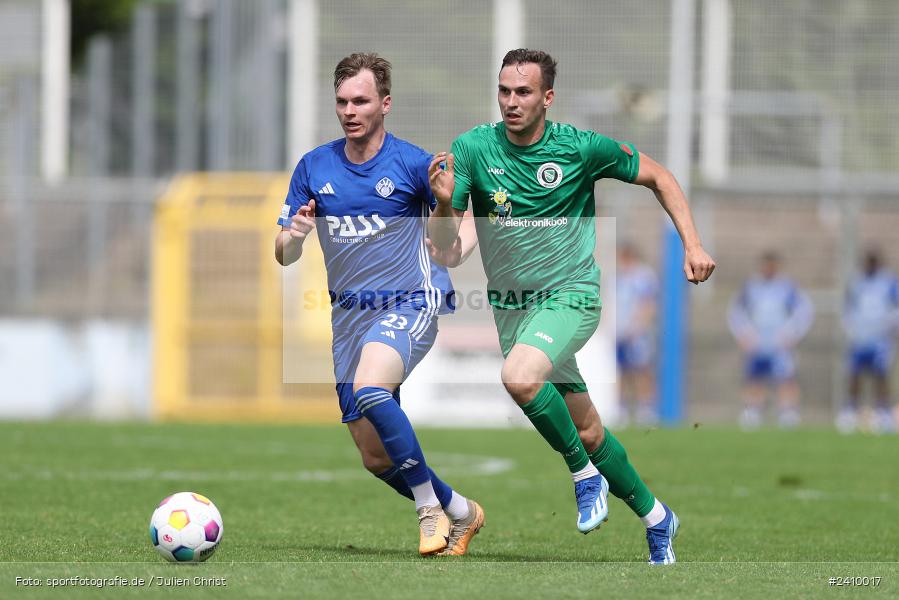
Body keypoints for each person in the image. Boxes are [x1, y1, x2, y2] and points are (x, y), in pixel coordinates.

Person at [426, 49, 715, 565]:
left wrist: (692, 245)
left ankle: (584, 478)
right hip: (514, 309)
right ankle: (657, 518)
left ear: (547, 98)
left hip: (571, 298)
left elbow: (661, 177)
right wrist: (446, 204)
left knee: (518, 377)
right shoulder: (472, 149)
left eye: (524, 92)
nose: (511, 102)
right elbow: (448, 251)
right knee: (588, 429)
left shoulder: (580, 148)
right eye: (505, 91)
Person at [275, 53, 483, 556]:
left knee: (371, 387)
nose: (350, 110)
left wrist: (444, 206)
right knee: (373, 456)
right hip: (347, 316)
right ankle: (461, 510)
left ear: (384, 104)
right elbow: (283, 253)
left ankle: (428, 510)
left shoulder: (413, 164)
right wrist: (296, 236)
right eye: (343, 101)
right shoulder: (314, 166)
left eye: (361, 100)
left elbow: (454, 235)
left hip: (411, 298)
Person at [727, 251, 814, 430]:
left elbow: (804, 311)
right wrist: (743, 334)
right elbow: (736, 311)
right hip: (757, 342)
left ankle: (788, 413)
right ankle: (753, 411)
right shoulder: (752, 286)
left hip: (779, 343)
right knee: (754, 378)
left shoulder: (787, 287)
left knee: (786, 378)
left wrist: (792, 333)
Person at [838, 248, 899, 434]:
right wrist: (850, 327)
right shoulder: (857, 282)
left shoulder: (889, 282)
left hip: (881, 339)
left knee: (881, 375)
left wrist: (890, 324)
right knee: (854, 374)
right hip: (860, 338)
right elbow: (848, 307)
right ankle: (851, 409)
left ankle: (883, 411)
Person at [615, 242, 660, 426]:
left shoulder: (643, 276)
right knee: (622, 371)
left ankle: (646, 409)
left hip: (638, 333)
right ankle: (622, 409)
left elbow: (648, 303)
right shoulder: (617, 277)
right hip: (620, 332)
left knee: (642, 369)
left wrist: (639, 326)